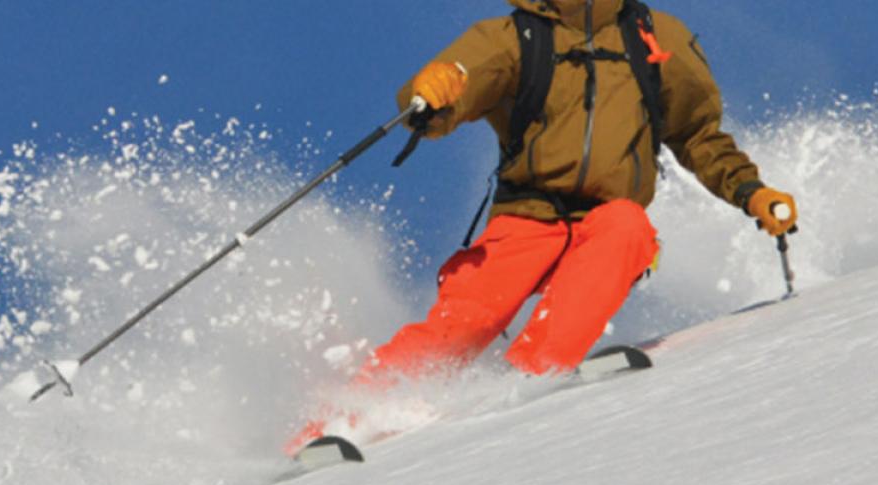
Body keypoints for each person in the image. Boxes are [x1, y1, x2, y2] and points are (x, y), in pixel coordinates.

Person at [286, 0, 798, 453]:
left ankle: (532, 372)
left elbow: (698, 136)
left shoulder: (655, 37)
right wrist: (433, 94)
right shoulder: (516, 37)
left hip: (607, 214)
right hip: (526, 215)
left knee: (627, 228)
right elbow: (457, 82)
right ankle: (339, 423)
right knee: (464, 321)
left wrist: (751, 193)